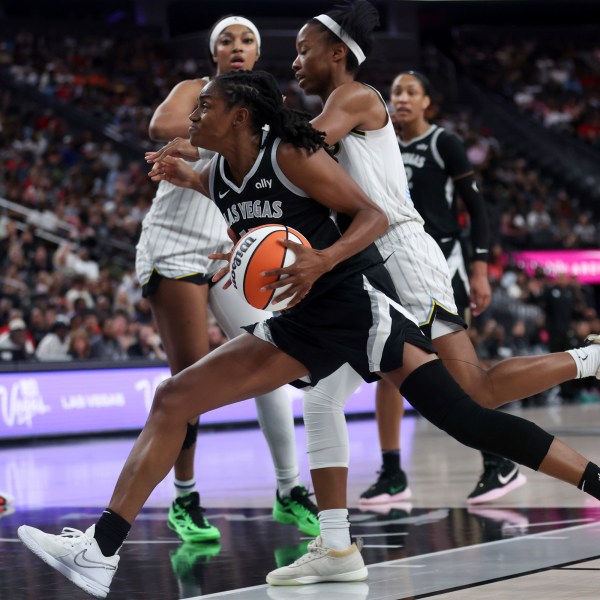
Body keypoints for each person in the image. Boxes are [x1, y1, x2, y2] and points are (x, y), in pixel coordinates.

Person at [18, 69, 600, 598]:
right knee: (173, 398)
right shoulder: (221, 173)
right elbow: (254, 225)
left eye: (204, 107)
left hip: (358, 306)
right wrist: (232, 247)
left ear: (240, 115)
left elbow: (371, 216)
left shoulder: (291, 154)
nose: (192, 117)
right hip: (301, 323)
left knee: (470, 417)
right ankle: (100, 551)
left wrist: (322, 260)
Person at [134, 15, 317, 543]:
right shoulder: (196, 93)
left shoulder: (267, 110)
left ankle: (289, 490)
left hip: (232, 243)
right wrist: (202, 136)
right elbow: (160, 127)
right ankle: (185, 498)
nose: (237, 47)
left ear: (258, 55)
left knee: (269, 356)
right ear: (214, 53)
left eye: (247, 41)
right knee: (189, 376)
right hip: (176, 243)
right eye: (226, 41)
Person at [361, 69, 525, 505]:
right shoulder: (382, 143)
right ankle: (393, 471)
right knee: (387, 366)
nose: (402, 99)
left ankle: (498, 462)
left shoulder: (443, 143)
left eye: (412, 92)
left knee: (461, 370)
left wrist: (479, 267)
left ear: (428, 102)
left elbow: (475, 206)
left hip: (442, 261)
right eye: (396, 92)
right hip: (394, 261)